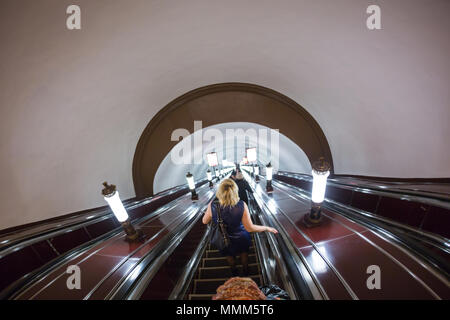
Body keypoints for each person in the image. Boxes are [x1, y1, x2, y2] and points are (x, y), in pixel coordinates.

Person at [202, 179, 278, 276]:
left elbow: (204, 221)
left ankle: (234, 272)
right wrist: (267, 228)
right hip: (241, 237)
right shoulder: (242, 205)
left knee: (229, 256)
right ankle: (246, 272)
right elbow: (250, 228)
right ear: (235, 191)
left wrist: (211, 213)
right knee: (244, 254)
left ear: (220, 191)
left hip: (223, 238)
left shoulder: (212, 205)